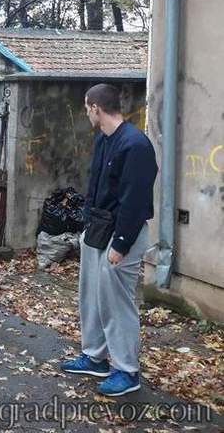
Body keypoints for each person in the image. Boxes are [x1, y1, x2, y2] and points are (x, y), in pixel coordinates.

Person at [60, 83, 158, 397]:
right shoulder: (104, 140)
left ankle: (127, 371)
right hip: (98, 229)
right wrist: (87, 224)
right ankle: (95, 356)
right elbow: (95, 183)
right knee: (91, 295)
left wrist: (121, 244)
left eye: (87, 108)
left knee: (117, 303)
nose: (86, 113)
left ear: (96, 108)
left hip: (121, 234)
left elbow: (136, 201)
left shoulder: (135, 146)